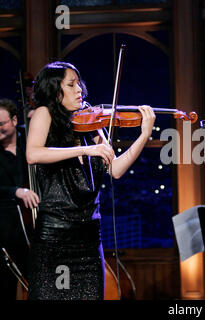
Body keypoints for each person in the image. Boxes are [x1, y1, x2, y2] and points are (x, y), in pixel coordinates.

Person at [25, 61, 155, 300]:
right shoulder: (44, 114)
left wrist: (144, 135)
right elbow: (33, 154)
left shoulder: (90, 123)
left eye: (79, 84)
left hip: (89, 237)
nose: (80, 90)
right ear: (55, 90)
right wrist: (84, 151)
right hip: (55, 235)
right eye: (71, 84)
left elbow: (115, 169)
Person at [0, 98, 39, 300]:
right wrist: (15, 191)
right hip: (5, 231)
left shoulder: (31, 142)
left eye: (1, 124)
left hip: (33, 229)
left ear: (15, 120)